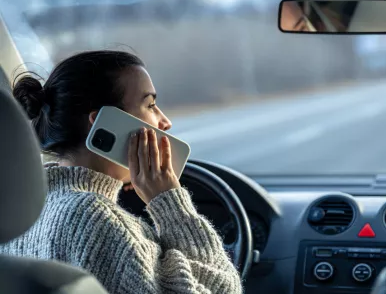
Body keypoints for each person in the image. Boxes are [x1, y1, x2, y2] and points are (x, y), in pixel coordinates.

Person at [0, 51, 242, 294]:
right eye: (151, 105)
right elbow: (225, 289)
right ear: (102, 122)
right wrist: (170, 202)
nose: (165, 122)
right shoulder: (97, 219)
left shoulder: (28, 214)